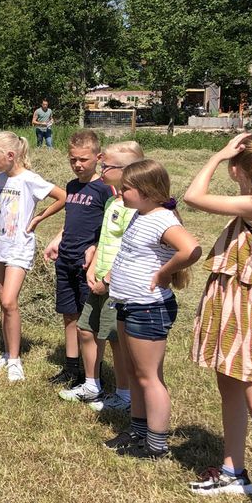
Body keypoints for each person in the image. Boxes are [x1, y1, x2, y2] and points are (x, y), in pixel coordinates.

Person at [183, 133, 252, 503]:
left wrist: (216, 154)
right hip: (228, 304)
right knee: (229, 389)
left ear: (237, 168)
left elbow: (193, 196)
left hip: (245, 310)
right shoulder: (251, 204)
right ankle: (233, 471)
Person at [107, 159, 202, 459]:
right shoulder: (140, 214)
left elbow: (190, 249)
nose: (120, 194)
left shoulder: (162, 219)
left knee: (149, 376)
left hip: (147, 308)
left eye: (126, 189)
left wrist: (163, 274)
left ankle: (156, 445)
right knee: (136, 373)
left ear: (147, 191)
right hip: (128, 303)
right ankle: (138, 430)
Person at [66, 141, 144, 412]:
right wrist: (92, 266)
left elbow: (129, 248)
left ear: (127, 170)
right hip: (97, 278)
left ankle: (124, 395)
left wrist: (108, 278)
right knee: (86, 329)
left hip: (116, 284)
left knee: (114, 338)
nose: (101, 168)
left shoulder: (134, 208)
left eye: (106, 165)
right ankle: (91, 384)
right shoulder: (112, 200)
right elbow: (103, 238)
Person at [0, 132, 66, 382]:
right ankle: (7, 353)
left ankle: (16, 361)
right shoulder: (0, 179)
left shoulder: (30, 180)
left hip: (19, 246)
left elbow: (63, 196)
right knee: (1, 301)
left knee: (10, 301)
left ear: (10, 156)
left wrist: (40, 217)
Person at [43, 130, 115, 390]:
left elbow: (111, 228)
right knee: (69, 314)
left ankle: (92, 373)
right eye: (73, 159)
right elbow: (70, 220)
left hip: (89, 265)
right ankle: (71, 366)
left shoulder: (106, 189)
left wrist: (95, 249)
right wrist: (57, 239)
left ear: (99, 157)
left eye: (83, 159)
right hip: (66, 259)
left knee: (90, 321)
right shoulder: (72, 187)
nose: (78, 165)